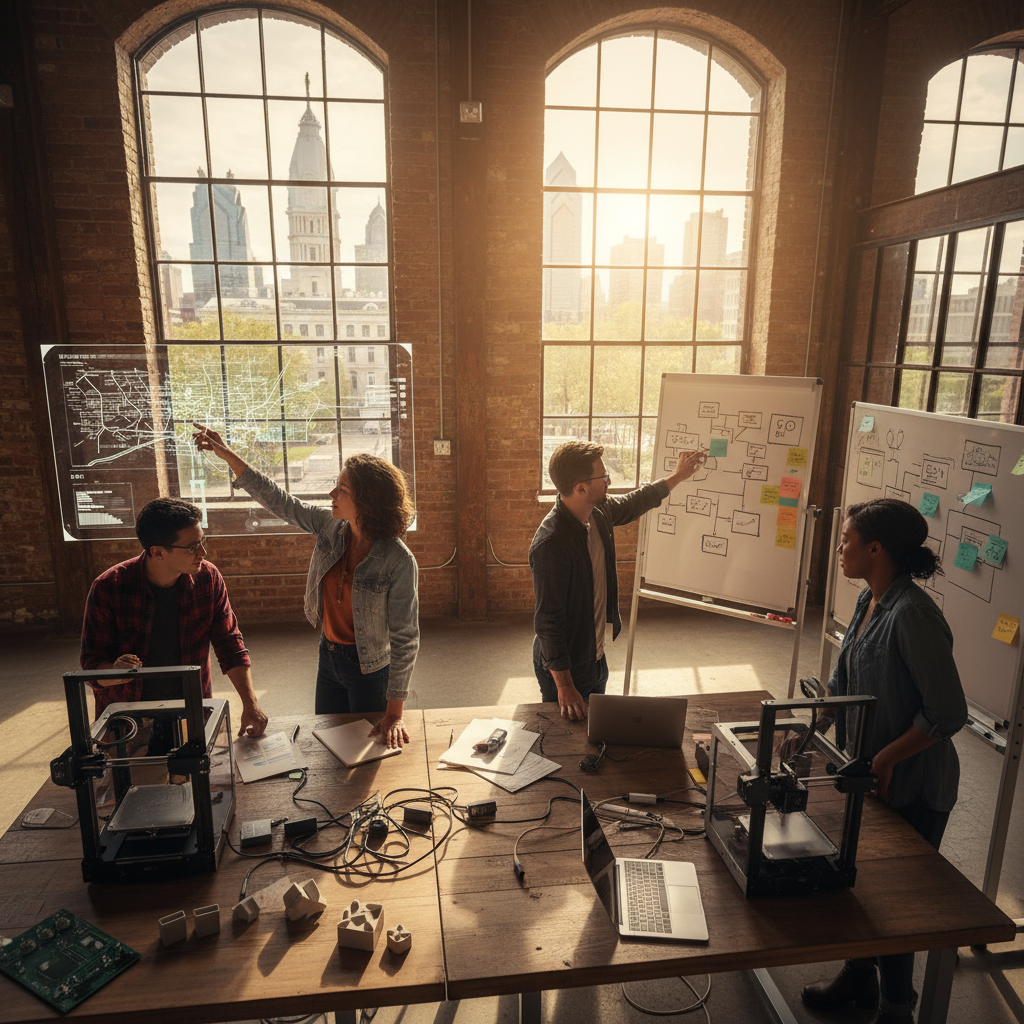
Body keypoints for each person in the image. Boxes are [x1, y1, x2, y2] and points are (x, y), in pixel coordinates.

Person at [801, 498, 967, 1024]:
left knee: (899, 909)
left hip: (914, 784)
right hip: (868, 776)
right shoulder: (868, 600)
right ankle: (860, 978)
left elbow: (948, 712)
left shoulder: (914, 615)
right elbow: (844, 679)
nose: (841, 549)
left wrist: (888, 758)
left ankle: (899, 1009)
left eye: (847, 540)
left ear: (875, 549)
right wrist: (811, 729)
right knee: (864, 884)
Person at [193, 424, 418, 749]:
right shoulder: (330, 528)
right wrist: (228, 455)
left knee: (367, 754)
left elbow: (406, 639)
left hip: (370, 669)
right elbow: (279, 500)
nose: (331, 495)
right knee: (329, 746)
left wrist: (395, 712)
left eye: (341, 490)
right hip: (328, 657)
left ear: (367, 501)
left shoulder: (398, 560)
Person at [530, 440, 707, 720]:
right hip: (567, 667)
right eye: (603, 477)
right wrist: (564, 687)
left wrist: (678, 477)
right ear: (581, 488)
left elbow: (635, 502)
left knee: (595, 731)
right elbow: (549, 623)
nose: (609, 481)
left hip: (595, 655)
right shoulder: (551, 543)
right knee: (562, 740)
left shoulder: (598, 512)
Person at [80, 497, 268, 740]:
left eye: (202, 542)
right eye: (192, 547)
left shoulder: (208, 578)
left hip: (191, 711)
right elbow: (90, 665)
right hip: (128, 720)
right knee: (132, 777)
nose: (203, 553)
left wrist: (250, 703)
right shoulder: (109, 587)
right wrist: (116, 672)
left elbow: (230, 644)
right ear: (157, 552)